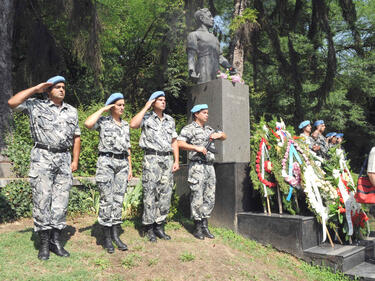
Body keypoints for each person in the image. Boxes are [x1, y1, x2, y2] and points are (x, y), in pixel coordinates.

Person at [8, 76, 81, 260]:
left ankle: (55, 242)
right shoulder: (35, 105)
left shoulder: (71, 111)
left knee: (61, 201)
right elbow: (12, 102)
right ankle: (43, 245)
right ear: (48, 90)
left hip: (63, 158)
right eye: (57, 87)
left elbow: (76, 137)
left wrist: (75, 160)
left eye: (63, 87)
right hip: (42, 157)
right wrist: (36, 88)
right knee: (42, 200)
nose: (62, 90)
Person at [84, 93, 132, 253]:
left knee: (118, 199)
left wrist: (130, 167)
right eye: (119, 105)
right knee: (107, 199)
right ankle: (106, 237)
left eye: (123, 105)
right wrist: (103, 109)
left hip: (122, 164)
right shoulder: (103, 121)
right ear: (112, 106)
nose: (122, 108)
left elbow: (128, 148)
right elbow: (87, 124)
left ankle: (115, 234)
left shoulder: (125, 125)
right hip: (106, 162)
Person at [129, 91, 179, 242]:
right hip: (151, 158)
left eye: (164, 100)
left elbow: (174, 141)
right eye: (160, 100)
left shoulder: (170, 120)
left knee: (165, 193)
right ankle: (148, 227)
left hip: (167, 159)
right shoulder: (146, 117)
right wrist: (146, 107)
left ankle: (159, 226)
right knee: (150, 192)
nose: (163, 102)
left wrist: (176, 160)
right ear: (153, 102)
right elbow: (133, 124)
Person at [177, 104, 226, 240]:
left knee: (209, 196)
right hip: (197, 166)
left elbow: (224, 136)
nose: (207, 115)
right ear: (196, 114)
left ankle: (205, 225)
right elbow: (179, 143)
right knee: (197, 196)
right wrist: (196, 148)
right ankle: (197, 226)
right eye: (204, 113)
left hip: (209, 167)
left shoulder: (210, 130)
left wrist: (219, 135)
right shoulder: (189, 129)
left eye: (207, 113)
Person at [187, 8, 235, 84]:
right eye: (209, 16)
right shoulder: (194, 34)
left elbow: (220, 57)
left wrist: (229, 67)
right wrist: (191, 69)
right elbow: (191, 54)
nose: (212, 19)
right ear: (201, 18)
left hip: (216, 70)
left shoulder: (214, 38)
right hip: (203, 69)